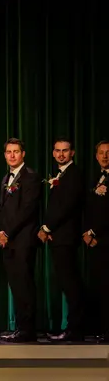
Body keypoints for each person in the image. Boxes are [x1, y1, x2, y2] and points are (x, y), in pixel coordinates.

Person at [37, 138, 85, 342]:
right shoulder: (61, 174)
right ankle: (73, 328)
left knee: (71, 283)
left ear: (72, 153)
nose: (61, 154)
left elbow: (67, 206)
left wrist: (47, 227)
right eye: (57, 150)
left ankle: (75, 330)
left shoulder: (73, 174)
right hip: (59, 236)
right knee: (67, 283)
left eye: (65, 150)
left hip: (66, 236)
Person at [0, 138, 42, 343]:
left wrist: (7, 232)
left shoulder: (31, 177)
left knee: (24, 285)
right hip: (7, 241)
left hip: (23, 239)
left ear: (23, 154)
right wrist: (0, 231)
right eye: (9, 152)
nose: (12, 155)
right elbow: (1, 208)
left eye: (16, 151)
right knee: (15, 285)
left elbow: (27, 210)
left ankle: (27, 330)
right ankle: (20, 328)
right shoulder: (6, 178)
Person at [83, 140, 109, 343]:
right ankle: (101, 328)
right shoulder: (96, 178)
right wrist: (87, 233)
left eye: (108, 152)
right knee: (99, 285)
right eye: (101, 152)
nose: (105, 156)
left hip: (106, 239)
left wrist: (93, 231)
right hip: (95, 241)